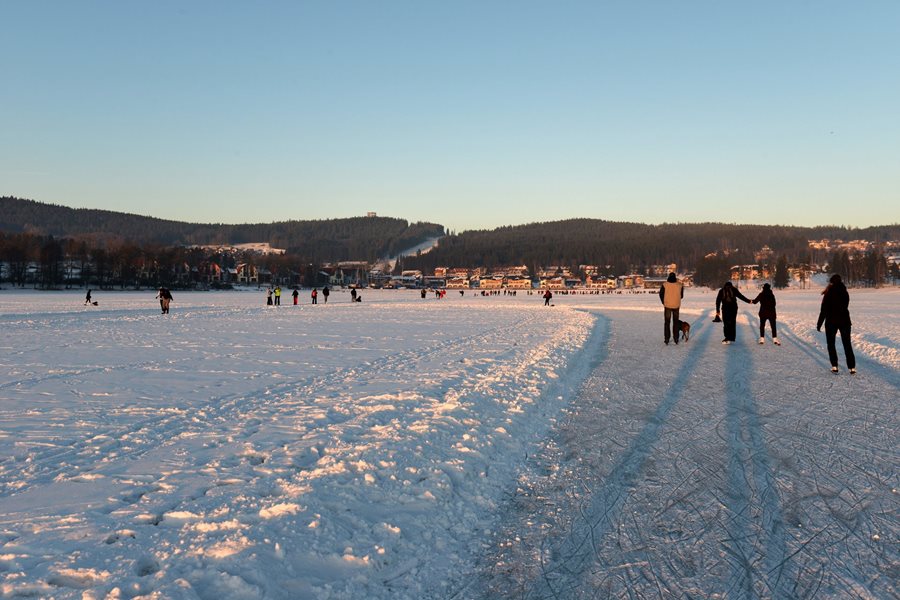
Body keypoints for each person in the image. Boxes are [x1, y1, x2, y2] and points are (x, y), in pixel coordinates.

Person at [817, 274, 856, 374]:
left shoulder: (828, 293)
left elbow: (823, 310)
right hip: (845, 321)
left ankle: (834, 366)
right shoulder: (845, 292)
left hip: (831, 322)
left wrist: (819, 323)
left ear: (831, 282)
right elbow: (845, 306)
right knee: (847, 344)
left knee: (831, 344)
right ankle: (852, 367)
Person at [658, 272, 683, 345]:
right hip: (676, 305)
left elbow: (661, 294)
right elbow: (681, 296)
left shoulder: (665, 285)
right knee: (675, 322)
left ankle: (666, 339)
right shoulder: (680, 285)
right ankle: (676, 339)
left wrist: (664, 302)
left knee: (667, 323)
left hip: (667, 305)